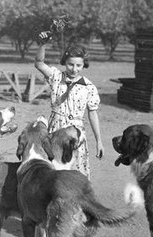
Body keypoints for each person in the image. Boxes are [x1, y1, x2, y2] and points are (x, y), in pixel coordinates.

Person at [34, 31, 104, 180]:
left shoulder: (89, 87)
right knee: (54, 169)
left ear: (84, 64)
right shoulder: (56, 77)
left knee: (75, 171)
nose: (74, 69)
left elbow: (92, 114)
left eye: (79, 65)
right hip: (56, 128)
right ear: (65, 62)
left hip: (75, 134)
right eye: (70, 64)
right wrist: (42, 45)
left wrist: (99, 141)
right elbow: (39, 63)